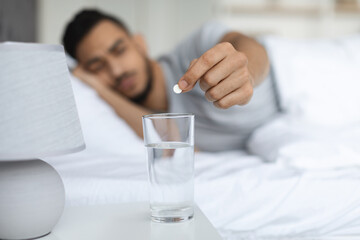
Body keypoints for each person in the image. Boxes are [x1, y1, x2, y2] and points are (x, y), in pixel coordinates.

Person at [62, 9, 279, 152]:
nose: (117, 71)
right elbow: (168, 144)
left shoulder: (196, 49)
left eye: (119, 50)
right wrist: (98, 88)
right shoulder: (145, 122)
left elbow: (249, 47)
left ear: (139, 43)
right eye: (97, 67)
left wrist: (246, 71)